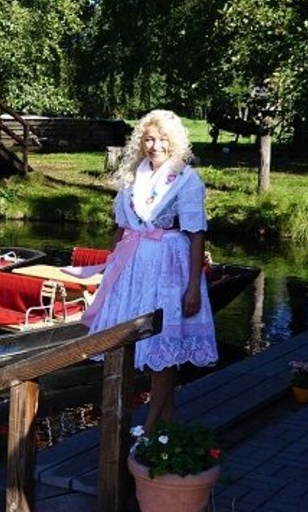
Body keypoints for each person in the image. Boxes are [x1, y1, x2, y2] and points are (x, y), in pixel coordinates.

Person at [82, 109, 217, 431]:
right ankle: (166, 422)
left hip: (170, 267)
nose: (155, 145)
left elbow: (197, 235)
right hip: (133, 270)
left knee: (164, 344)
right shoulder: (131, 178)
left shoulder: (186, 179)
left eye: (162, 140)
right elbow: (120, 228)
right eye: (149, 138)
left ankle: (152, 424)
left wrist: (193, 287)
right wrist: (111, 271)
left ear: (175, 143)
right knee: (132, 344)